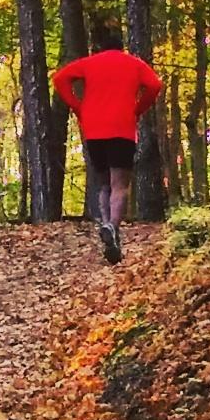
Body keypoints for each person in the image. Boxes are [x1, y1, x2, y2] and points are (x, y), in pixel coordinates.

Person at [51, 27, 162, 264]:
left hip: (94, 129)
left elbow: (59, 78)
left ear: (100, 47)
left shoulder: (90, 63)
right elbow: (154, 85)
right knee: (119, 184)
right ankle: (112, 227)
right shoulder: (133, 63)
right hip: (122, 128)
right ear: (121, 46)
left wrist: (77, 106)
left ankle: (106, 226)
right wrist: (138, 109)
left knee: (103, 184)